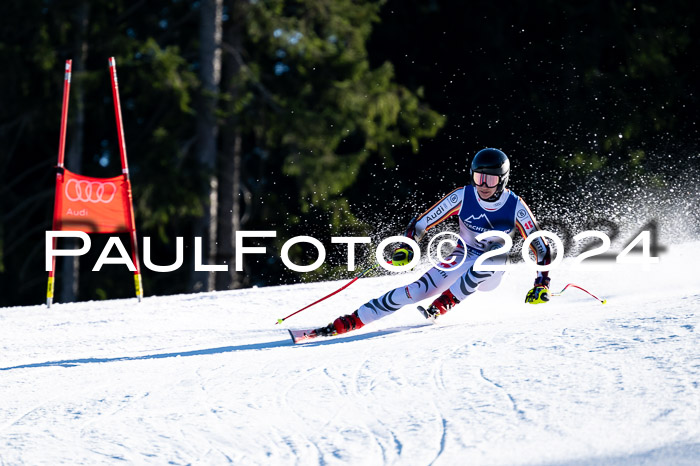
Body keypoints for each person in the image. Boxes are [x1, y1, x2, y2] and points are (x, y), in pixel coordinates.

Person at [315, 148, 552, 337]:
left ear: (502, 180)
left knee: (496, 251)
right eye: (479, 177)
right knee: (416, 290)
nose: (483, 186)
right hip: (463, 255)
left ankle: (444, 303)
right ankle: (351, 321)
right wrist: (407, 245)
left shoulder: (515, 206)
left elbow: (541, 247)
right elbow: (422, 222)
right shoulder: (463, 196)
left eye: (490, 180)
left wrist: (542, 283)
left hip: (493, 269)